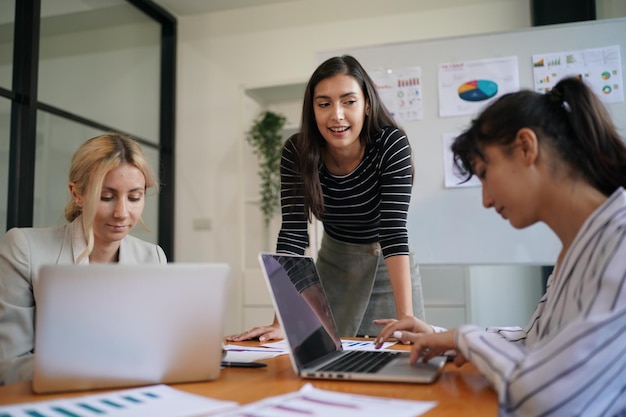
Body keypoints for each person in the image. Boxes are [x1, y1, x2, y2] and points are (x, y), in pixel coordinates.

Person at [374, 76, 626, 416]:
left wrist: (466, 339)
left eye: (484, 172)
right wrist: (441, 335)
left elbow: (549, 396)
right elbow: (534, 343)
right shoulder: (578, 245)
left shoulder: (619, 242)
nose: (486, 200)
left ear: (526, 147)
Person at [229, 55, 425, 342]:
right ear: (312, 109)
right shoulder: (297, 151)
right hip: (334, 266)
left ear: (367, 105)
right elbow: (293, 235)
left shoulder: (390, 144)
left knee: (399, 353)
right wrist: (281, 320)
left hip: (389, 265)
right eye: (324, 104)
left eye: (349, 101)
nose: (337, 115)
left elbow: (393, 231)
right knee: (326, 355)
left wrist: (406, 316)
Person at [0, 133, 167, 385]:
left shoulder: (151, 257)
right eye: (106, 197)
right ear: (77, 193)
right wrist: (96, 364)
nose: (122, 213)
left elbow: (161, 345)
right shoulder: (24, 248)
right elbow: (8, 366)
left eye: (134, 197)